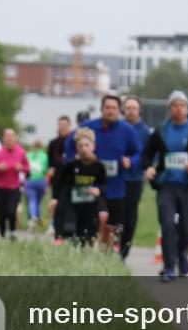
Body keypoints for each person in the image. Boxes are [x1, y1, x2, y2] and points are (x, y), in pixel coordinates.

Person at [143, 91, 188, 281]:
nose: (178, 108)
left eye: (182, 105)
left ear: (187, 108)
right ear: (169, 109)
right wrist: (148, 168)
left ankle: (180, 253)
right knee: (168, 224)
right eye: (174, 105)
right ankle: (169, 267)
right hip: (167, 184)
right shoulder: (160, 131)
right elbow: (147, 154)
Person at [65, 95, 141, 247]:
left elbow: (139, 151)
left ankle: (114, 257)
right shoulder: (89, 127)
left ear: (119, 111)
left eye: (114, 108)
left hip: (116, 188)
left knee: (116, 227)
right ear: (101, 109)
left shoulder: (127, 130)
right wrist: (73, 162)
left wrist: (131, 162)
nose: (110, 111)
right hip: (92, 188)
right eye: (107, 108)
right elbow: (69, 143)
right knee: (89, 226)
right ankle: (85, 253)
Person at [50, 127, 107, 246]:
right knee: (71, 230)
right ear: (77, 148)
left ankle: (86, 257)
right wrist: (56, 199)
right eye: (81, 146)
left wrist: (98, 190)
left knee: (88, 235)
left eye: (87, 145)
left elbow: (103, 185)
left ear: (93, 146)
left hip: (90, 206)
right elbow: (61, 184)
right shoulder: (71, 165)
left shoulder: (99, 166)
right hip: (73, 205)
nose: (84, 149)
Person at [122, 96, 152, 259]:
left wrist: (145, 168)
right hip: (116, 180)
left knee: (130, 217)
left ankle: (124, 251)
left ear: (139, 110)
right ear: (124, 110)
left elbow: (147, 155)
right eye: (128, 108)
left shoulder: (146, 132)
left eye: (134, 108)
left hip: (134, 179)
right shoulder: (117, 127)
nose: (131, 111)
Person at [0, 128, 29, 240]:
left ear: (15, 138)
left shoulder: (21, 152)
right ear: (3, 139)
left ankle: (12, 232)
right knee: (1, 212)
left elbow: (27, 168)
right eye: (7, 137)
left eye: (12, 136)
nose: (10, 139)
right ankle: (2, 233)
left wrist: (21, 168)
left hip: (14, 187)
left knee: (11, 211)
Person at [24, 140, 49, 229]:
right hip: (41, 180)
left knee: (32, 200)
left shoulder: (28, 155)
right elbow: (46, 170)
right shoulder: (44, 156)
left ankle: (33, 217)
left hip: (30, 180)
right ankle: (38, 219)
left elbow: (25, 168)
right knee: (39, 202)